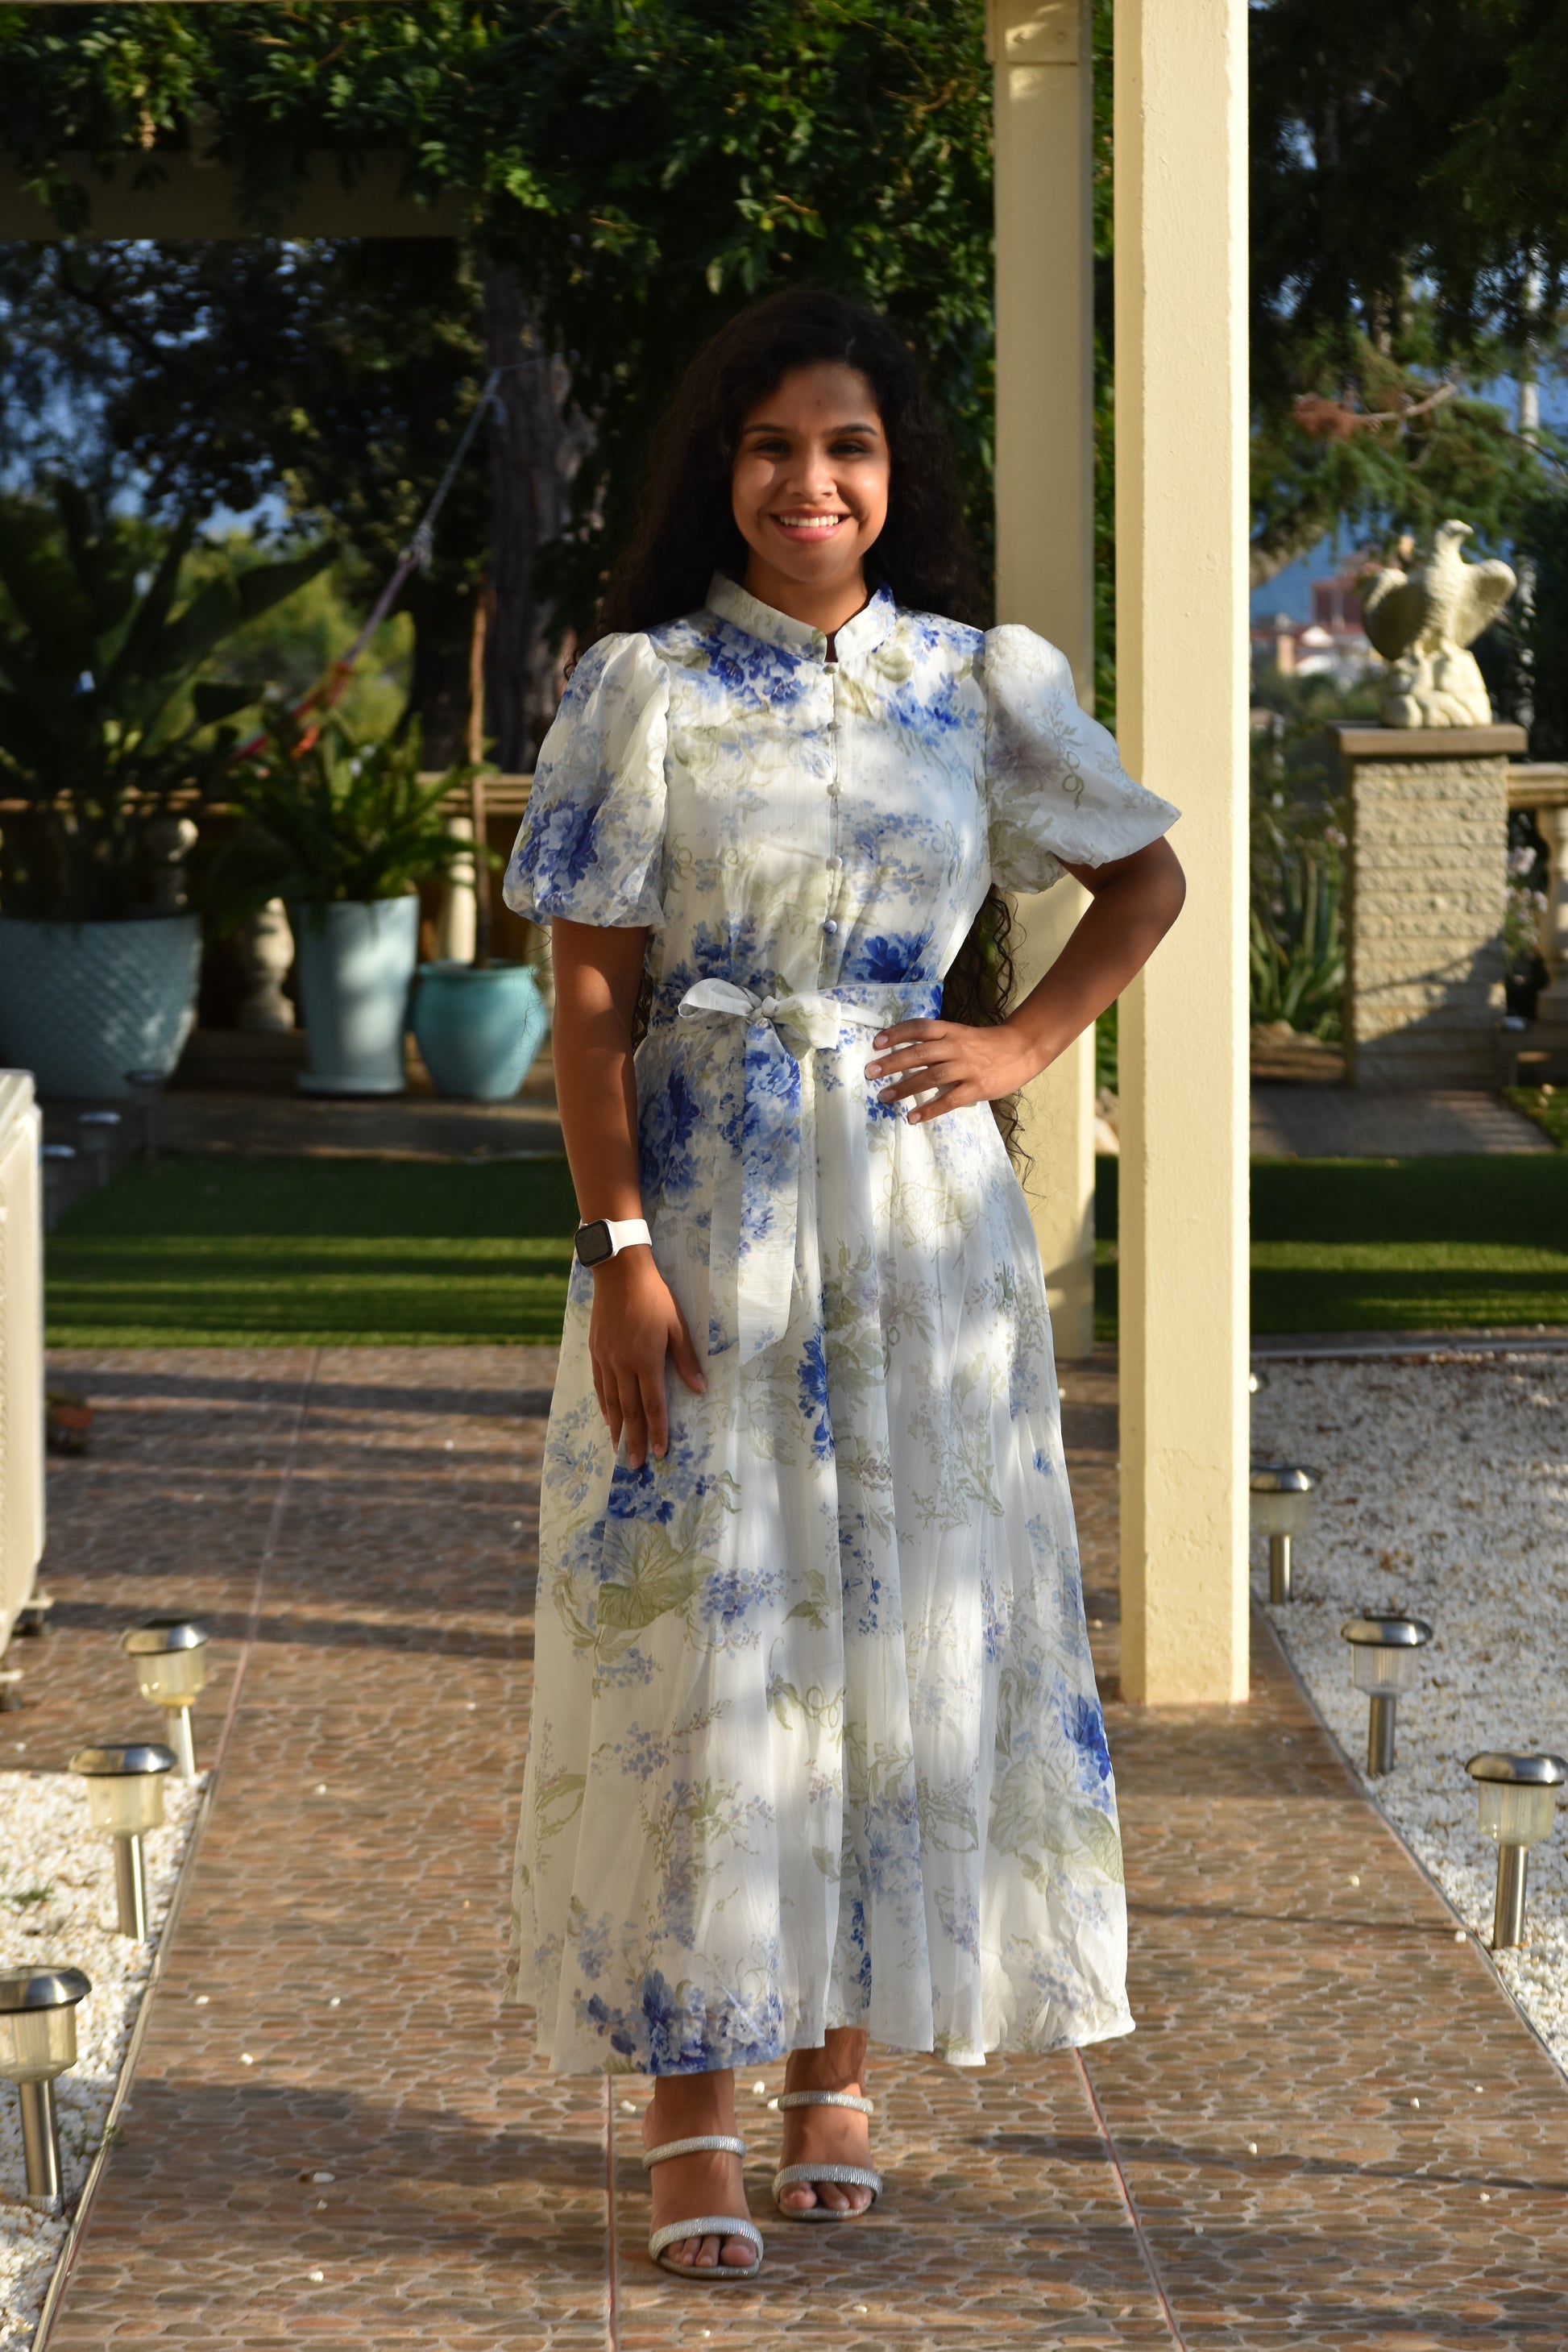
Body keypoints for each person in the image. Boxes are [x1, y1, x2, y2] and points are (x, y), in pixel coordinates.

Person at [500, 288, 1184, 2284]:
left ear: (898, 479)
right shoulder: (640, 684)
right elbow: (593, 997)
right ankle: (686, 2107)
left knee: (895, 1620)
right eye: (775, 446)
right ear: (721, 467)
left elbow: (1139, 874)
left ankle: (833, 2074)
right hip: (705, 1221)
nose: (812, 483)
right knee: (702, 1652)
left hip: (914, 1229)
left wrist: (1023, 1045)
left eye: (850, 449)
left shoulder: (980, 686)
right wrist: (619, 1250)